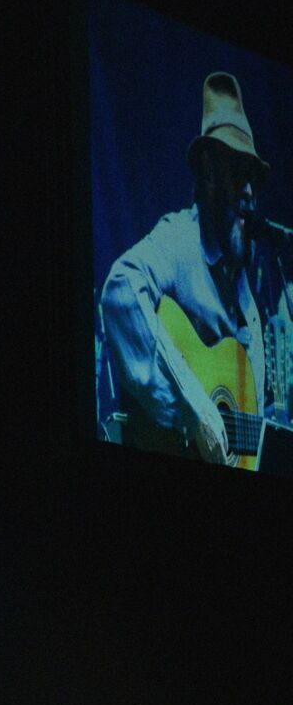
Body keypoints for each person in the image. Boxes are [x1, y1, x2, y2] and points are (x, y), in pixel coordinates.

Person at [101, 72, 293, 465]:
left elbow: (247, 434)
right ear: (207, 170)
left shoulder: (247, 292)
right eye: (238, 171)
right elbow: (119, 289)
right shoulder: (179, 239)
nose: (249, 192)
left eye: (254, 178)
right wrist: (195, 408)